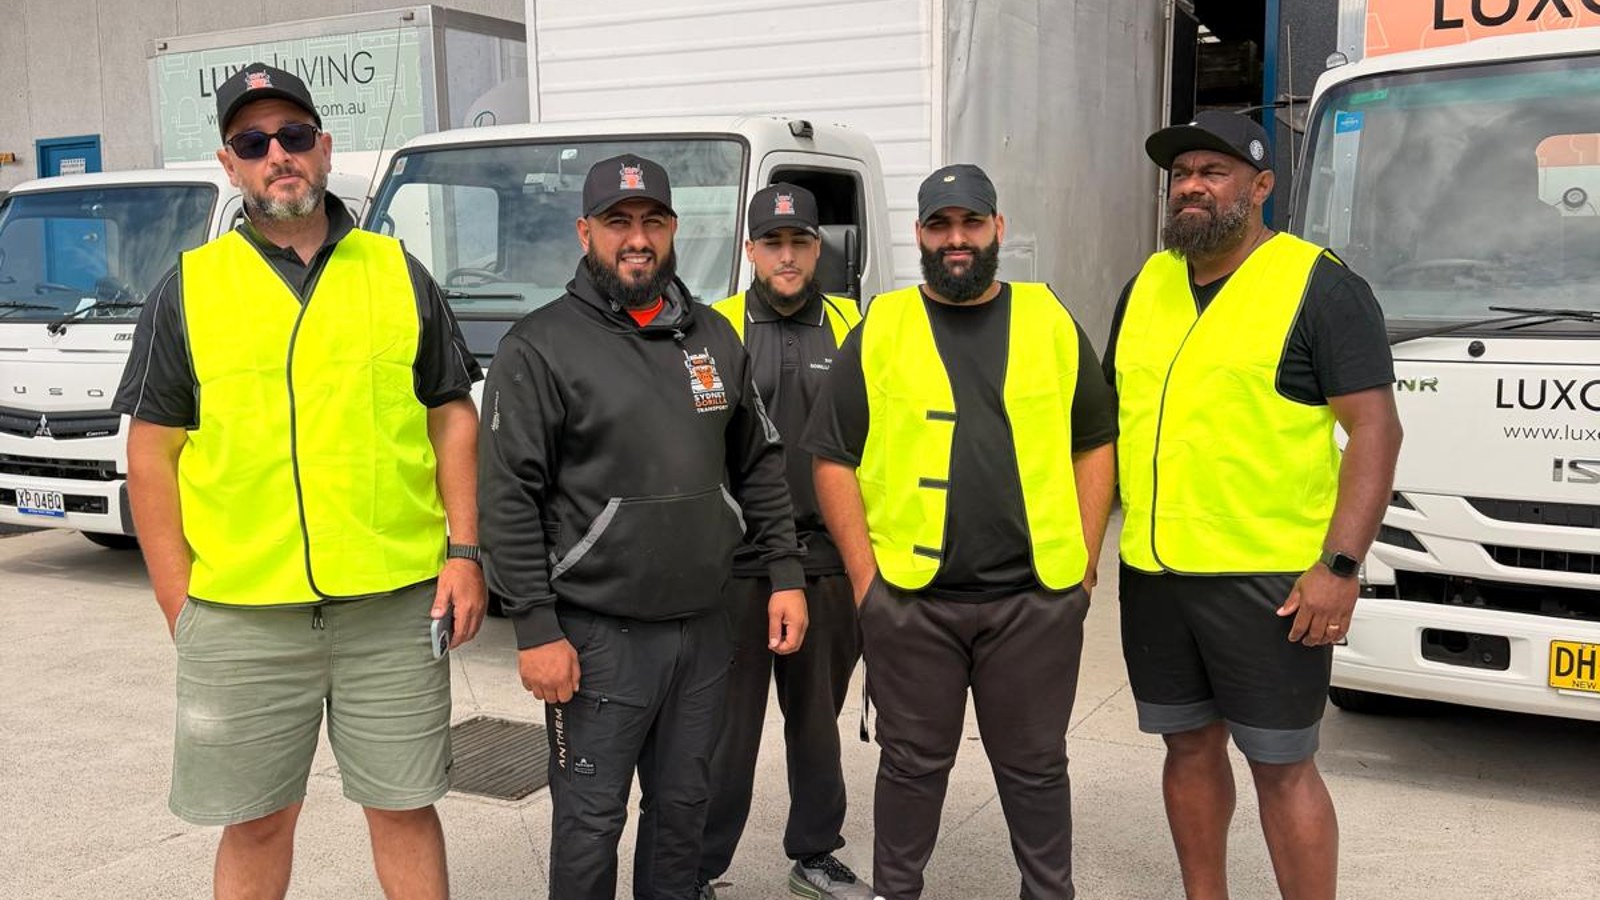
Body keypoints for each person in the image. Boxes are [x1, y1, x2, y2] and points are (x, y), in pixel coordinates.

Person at [115, 63, 486, 900]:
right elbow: (152, 453)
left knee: (404, 808)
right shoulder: (188, 288)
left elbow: (452, 415)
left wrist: (464, 552)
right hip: (242, 617)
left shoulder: (398, 271)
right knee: (256, 820)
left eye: (292, 136)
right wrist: (182, 603)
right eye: (254, 142)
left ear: (322, 147)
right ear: (229, 162)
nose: (276, 153)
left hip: (393, 608)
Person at [477, 154, 810, 900]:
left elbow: (759, 462)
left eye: (652, 223)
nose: (637, 239)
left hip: (703, 627)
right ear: (584, 232)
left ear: (672, 232)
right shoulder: (539, 347)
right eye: (618, 223)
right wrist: (534, 626)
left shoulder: (716, 340)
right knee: (592, 822)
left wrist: (784, 574)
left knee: (682, 814)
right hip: (595, 639)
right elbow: (507, 497)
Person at [1108, 111, 1402, 900]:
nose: (1193, 186)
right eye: (1183, 174)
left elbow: (1376, 431)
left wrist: (1339, 566)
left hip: (1270, 583)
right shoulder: (1147, 286)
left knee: (1282, 765)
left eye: (1216, 170)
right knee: (1187, 751)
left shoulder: (1320, 285)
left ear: (1262, 185)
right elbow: (1110, 425)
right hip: (1158, 573)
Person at [806, 163, 1118, 900]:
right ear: (918, 234)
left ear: (997, 229)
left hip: (1033, 600)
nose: (956, 239)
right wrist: (865, 583)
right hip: (914, 603)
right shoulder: (883, 325)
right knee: (911, 766)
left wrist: (1082, 562)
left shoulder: (1048, 318)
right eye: (940, 225)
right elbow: (830, 457)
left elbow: (1096, 439)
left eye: (970, 224)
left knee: (1037, 767)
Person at [699, 184, 871, 900]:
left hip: (827, 560)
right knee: (725, 732)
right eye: (773, 243)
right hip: (740, 567)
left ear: (817, 247)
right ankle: (699, 865)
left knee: (816, 724)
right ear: (750, 250)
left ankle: (814, 852)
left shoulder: (856, 324)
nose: (789, 256)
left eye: (801, 242)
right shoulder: (717, 327)